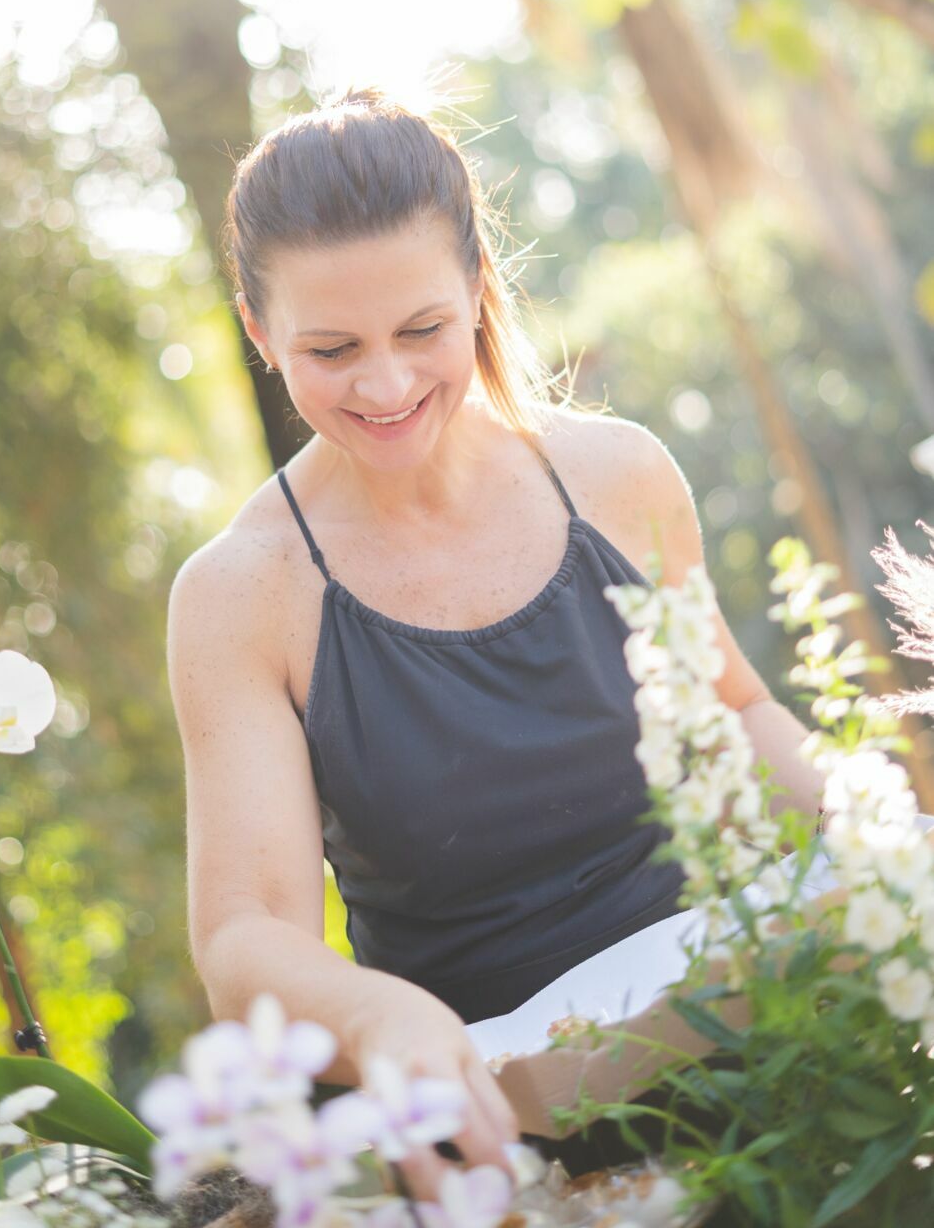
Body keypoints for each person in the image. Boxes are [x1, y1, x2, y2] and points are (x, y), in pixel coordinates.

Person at [165, 86, 825, 1198]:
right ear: (255, 328)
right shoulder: (240, 594)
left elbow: (737, 713)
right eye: (331, 348)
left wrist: (876, 860)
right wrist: (378, 1017)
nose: (385, 385)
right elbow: (243, 936)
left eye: (422, 329)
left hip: (745, 1041)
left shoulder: (616, 478)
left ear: (477, 289)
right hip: (493, 1126)